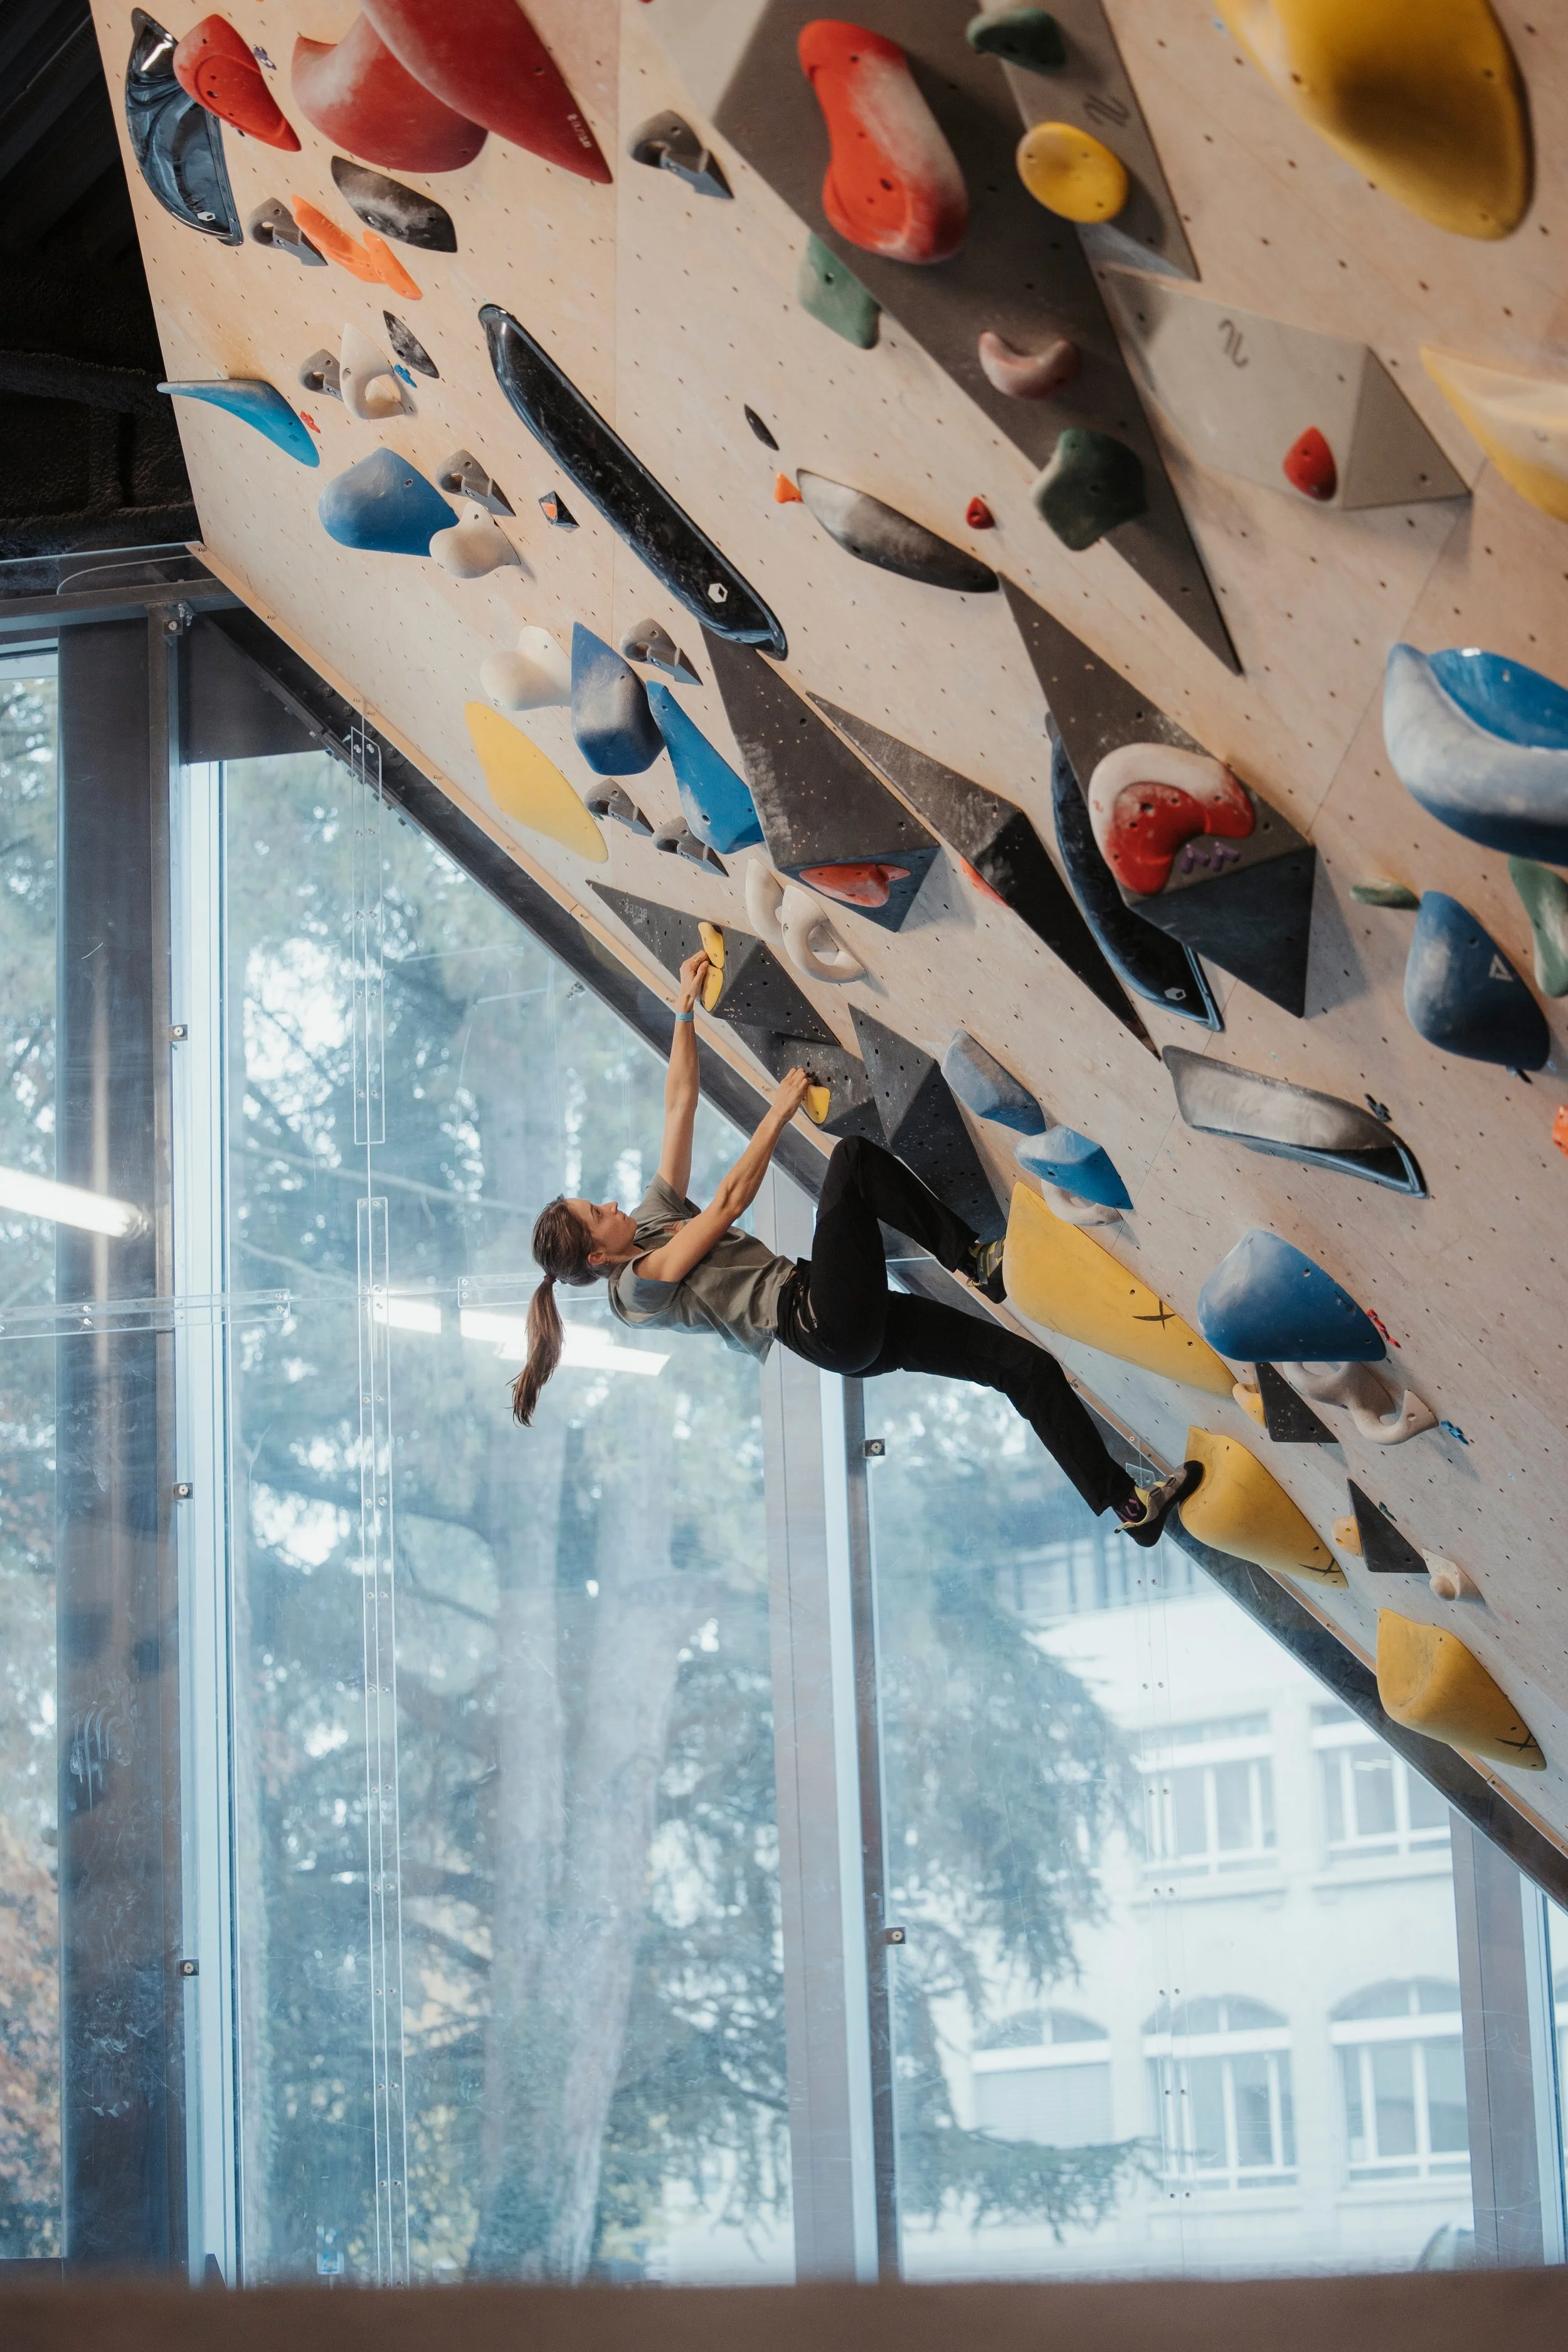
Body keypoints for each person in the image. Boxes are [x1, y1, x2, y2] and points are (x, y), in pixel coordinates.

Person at [515, 950, 1202, 1544]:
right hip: (816, 1319)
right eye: (595, 1214)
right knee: (851, 1164)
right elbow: (726, 1205)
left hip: (836, 1320)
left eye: (597, 1199)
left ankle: (1128, 1506)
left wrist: (685, 1011)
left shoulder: (649, 1219)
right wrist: (778, 1113)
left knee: (1023, 1368)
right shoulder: (634, 1291)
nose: (609, 1204)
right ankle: (975, 1262)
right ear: (597, 1258)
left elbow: (679, 1105)